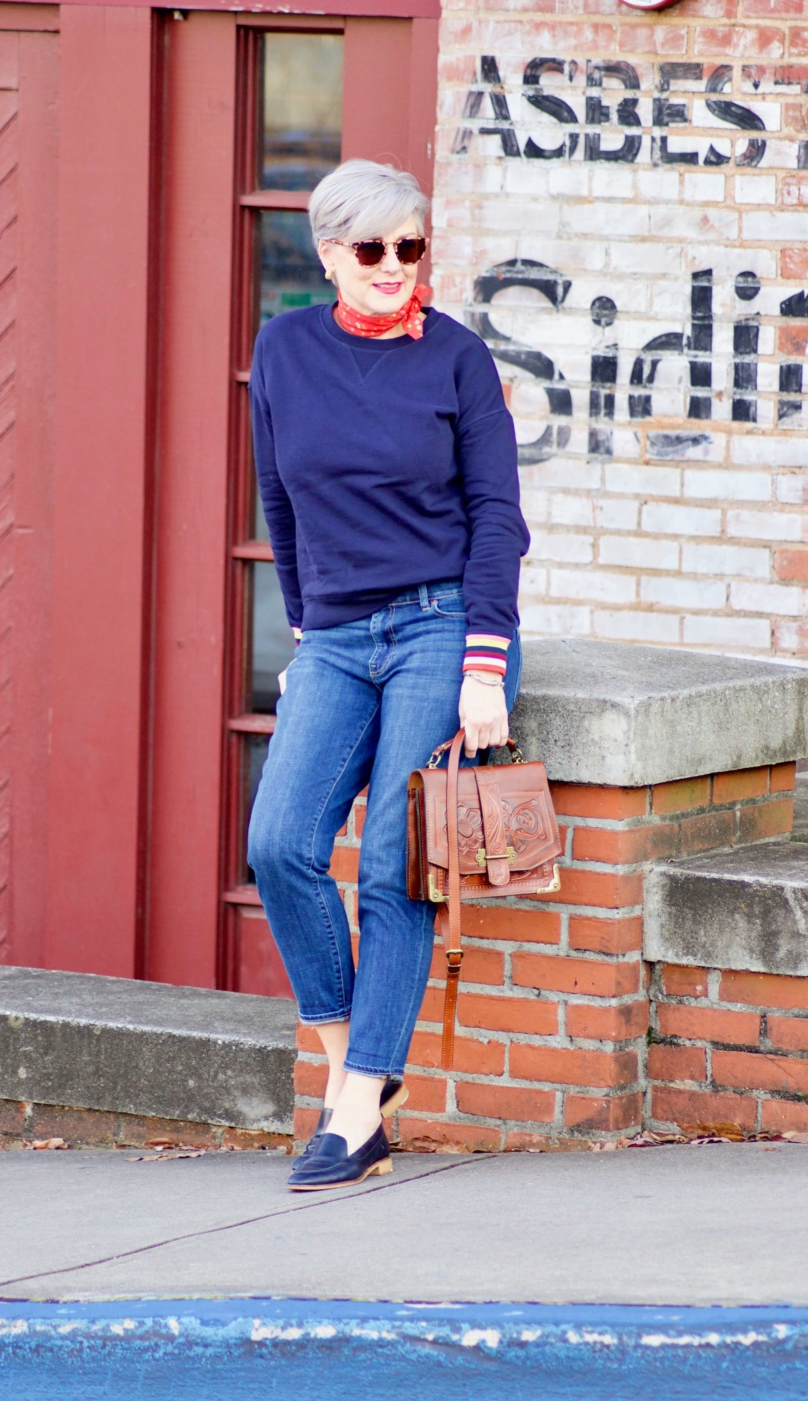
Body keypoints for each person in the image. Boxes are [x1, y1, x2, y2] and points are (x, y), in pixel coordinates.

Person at [247, 158, 529, 1191]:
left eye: (412, 247)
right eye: (372, 249)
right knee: (279, 844)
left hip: (441, 624)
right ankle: (350, 1072)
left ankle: (359, 1106)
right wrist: (305, 637)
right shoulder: (283, 352)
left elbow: (499, 520)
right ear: (329, 256)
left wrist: (485, 664)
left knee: (393, 863)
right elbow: (280, 504)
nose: (395, 267)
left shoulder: (456, 361)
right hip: (337, 638)